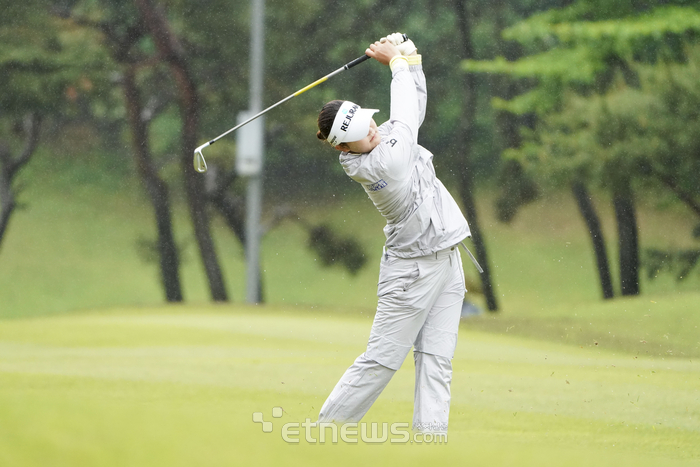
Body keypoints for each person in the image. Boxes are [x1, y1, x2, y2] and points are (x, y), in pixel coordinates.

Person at [315, 33, 477, 433]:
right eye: (359, 132)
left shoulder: (383, 139)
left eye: (367, 121)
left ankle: (430, 446)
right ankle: (322, 435)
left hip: (445, 258)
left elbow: (411, 113)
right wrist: (397, 66)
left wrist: (411, 61)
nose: (370, 130)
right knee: (382, 360)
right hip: (411, 273)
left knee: (437, 359)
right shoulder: (379, 164)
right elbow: (403, 119)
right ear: (343, 148)